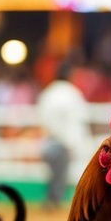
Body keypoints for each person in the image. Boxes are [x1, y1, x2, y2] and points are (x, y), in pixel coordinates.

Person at [36, 62, 91, 211]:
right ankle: (55, 201)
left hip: (49, 141)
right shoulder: (72, 93)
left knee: (55, 174)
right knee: (64, 174)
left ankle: (52, 200)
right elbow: (78, 120)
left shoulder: (48, 93)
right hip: (66, 141)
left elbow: (42, 117)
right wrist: (73, 142)